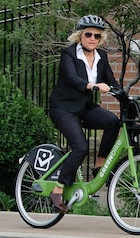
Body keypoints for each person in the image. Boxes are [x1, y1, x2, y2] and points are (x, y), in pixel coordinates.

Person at [47, 14, 121, 213]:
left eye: (97, 36)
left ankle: (99, 164)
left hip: (84, 108)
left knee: (113, 122)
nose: (92, 39)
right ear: (80, 35)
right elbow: (71, 78)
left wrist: (125, 96)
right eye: (88, 34)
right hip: (63, 108)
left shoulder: (101, 57)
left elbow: (111, 82)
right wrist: (93, 86)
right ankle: (57, 189)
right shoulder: (69, 54)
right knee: (80, 147)